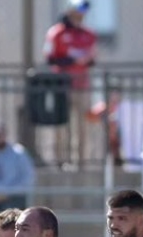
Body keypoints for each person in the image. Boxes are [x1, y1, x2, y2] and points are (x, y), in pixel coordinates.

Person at [43, 0, 96, 167]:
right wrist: (71, 60)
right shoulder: (56, 33)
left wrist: (86, 60)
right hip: (61, 85)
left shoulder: (88, 34)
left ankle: (81, 162)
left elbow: (93, 57)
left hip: (82, 86)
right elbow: (49, 58)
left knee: (82, 127)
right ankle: (60, 161)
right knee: (61, 125)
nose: (80, 16)